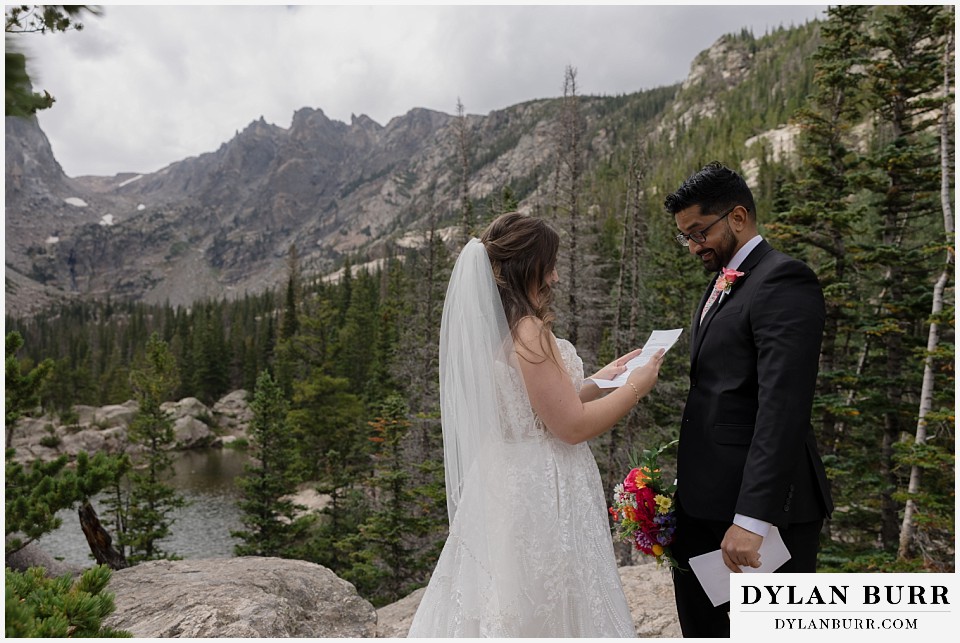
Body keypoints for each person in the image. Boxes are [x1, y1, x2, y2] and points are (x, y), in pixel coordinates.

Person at [407, 212, 664, 637]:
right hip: (544, 487)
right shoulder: (530, 332)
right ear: (529, 267)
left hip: (508, 477)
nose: (556, 277)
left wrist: (603, 379)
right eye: (550, 265)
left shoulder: (498, 330)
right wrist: (636, 387)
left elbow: (534, 408)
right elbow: (570, 426)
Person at [664, 162, 834, 638]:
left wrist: (751, 519)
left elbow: (783, 407)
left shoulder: (784, 281)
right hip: (705, 507)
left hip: (764, 517)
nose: (695, 246)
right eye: (687, 237)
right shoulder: (721, 282)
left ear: (738, 217)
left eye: (699, 232)